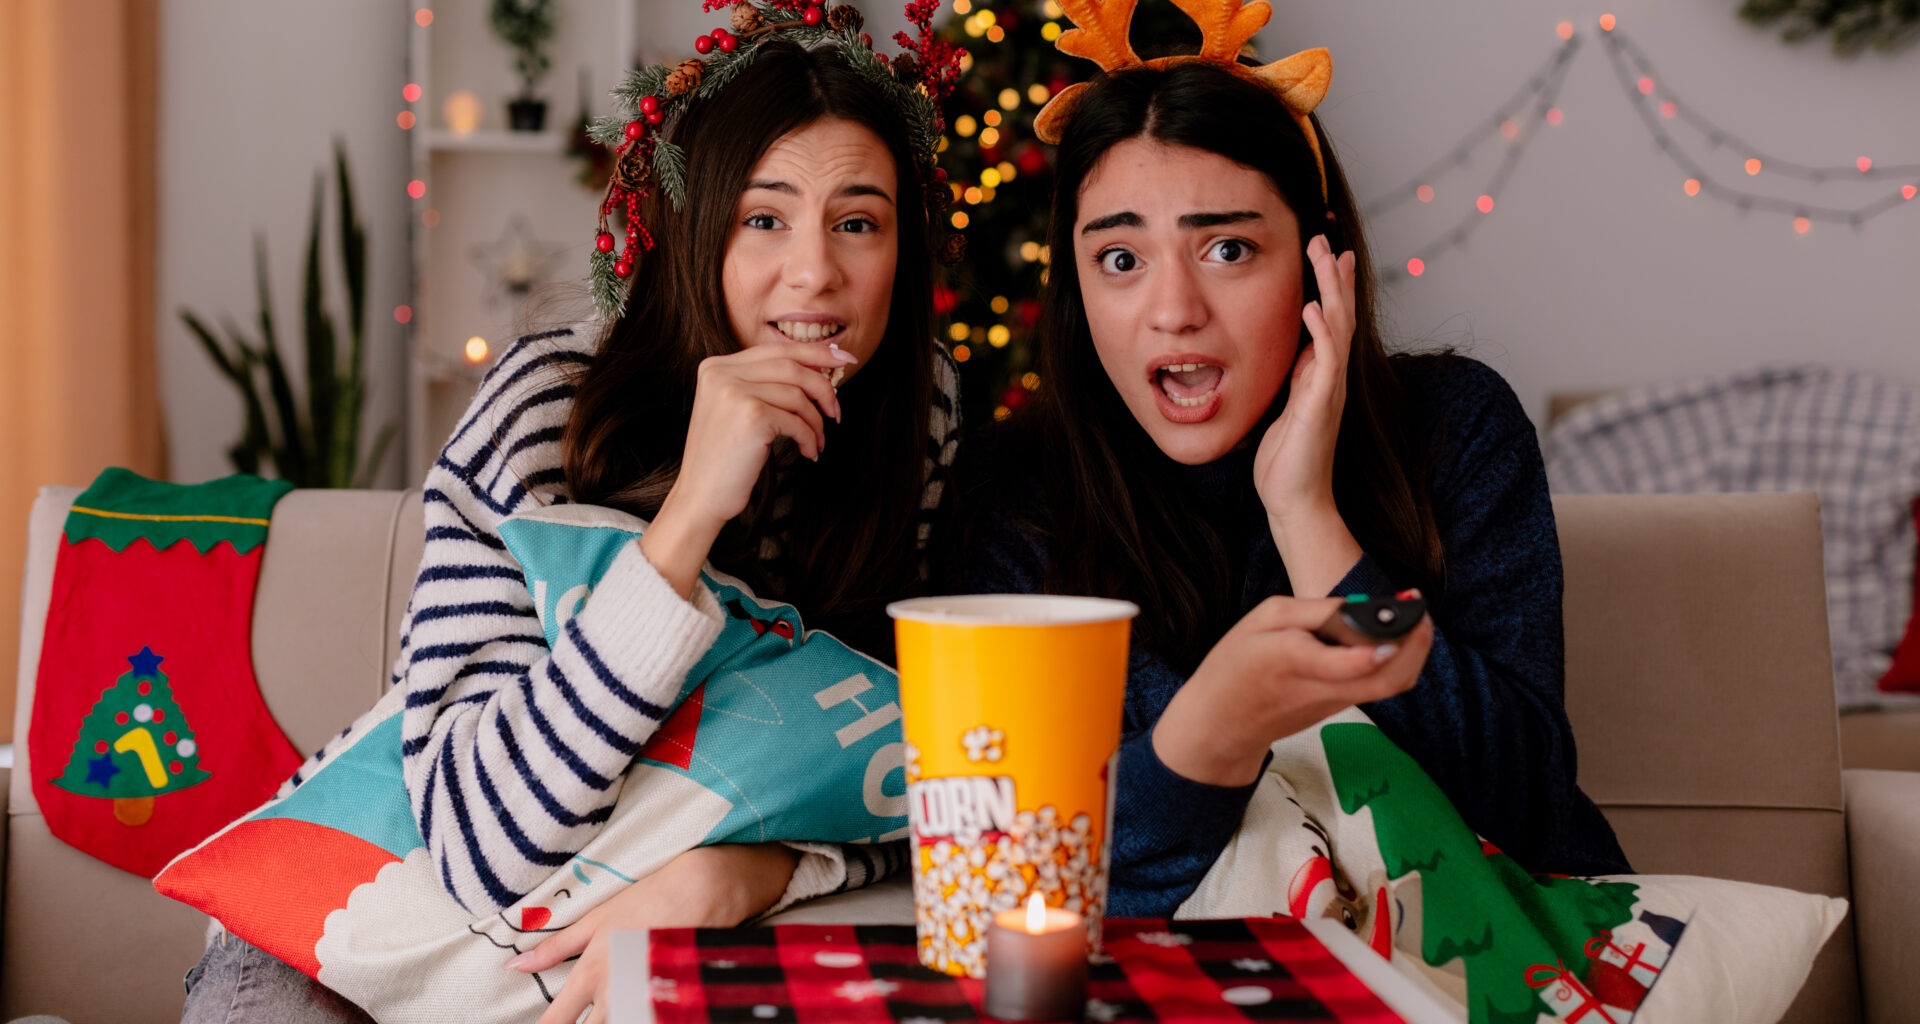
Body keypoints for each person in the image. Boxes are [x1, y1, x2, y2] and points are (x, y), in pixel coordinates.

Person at [181, 26, 963, 1024]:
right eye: (763, 220)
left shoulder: (917, 417)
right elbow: (479, 844)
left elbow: (944, 772)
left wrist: (748, 873)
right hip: (349, 928)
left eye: (859, 223)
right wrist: (686, 521)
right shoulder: (550, 405)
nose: (814, 273)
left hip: (600, 925)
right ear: (693, 232)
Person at [949, 47, 1630, 920]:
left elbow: (1529, 812)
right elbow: (1017, 882)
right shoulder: (1014, 493)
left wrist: (1307, 517)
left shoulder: (1457, 427)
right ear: (1077, 289)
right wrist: (1212, 731)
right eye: (1121, 259)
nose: (1173, 309)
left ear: (1320, 266)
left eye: (1228, 248)